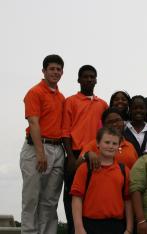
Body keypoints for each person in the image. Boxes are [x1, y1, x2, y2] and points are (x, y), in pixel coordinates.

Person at [20, 54, 65, 234]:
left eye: (58, 69)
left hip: (58, 148)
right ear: (44, 71)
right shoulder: (35, 92)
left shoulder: (61, 97)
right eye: (52, 69)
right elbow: (33, 122)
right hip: (37, 147)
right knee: (31, 199)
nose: (55, 72)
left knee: (50, 201)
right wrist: (40, 153)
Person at [62, 64, 108, 233]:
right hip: (75, 154)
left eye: (92, 77)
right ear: (79, 80)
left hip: (97, 155)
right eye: (86, 76)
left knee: (92, 196)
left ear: (96, 80)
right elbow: (65, 131)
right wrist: (70, 157)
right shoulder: (70, 101)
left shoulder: (102, 104)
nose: (89, 79)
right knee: (73, 196)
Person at [71, 127, 133, 234]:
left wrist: (129, 229)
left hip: (116, 225)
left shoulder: (124, 170)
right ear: (98, 143)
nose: (110, 146)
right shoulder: (85, 168)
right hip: (89, 225)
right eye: (107, 142)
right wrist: (78, 228)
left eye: (114, 143)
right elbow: (77, 198)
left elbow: (128, 200)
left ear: (118, 146)